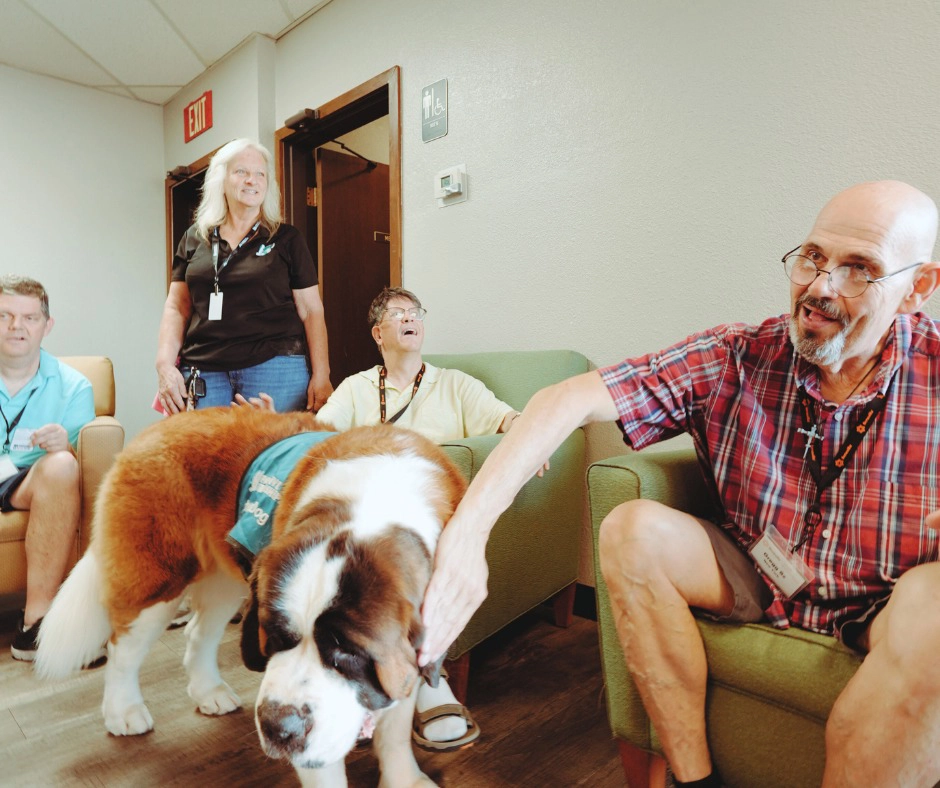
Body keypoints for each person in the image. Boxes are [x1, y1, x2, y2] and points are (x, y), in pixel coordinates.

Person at [419, 181, 940, 787]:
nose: (821, 287)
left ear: (917, 288)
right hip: (756, 571)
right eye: (813, 257)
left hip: (885, 597)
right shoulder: (738, 355)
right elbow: (566, 399)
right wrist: (467, 534)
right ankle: (694, 780)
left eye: (859, 271)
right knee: (631, 530)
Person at [239, 286, 527, 752]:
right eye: (397, 313)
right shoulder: (356, 387)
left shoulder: (456, 385)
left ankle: (430, 673)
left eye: (415, 312)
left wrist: (524, 441)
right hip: (362, 522)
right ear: (378, 333)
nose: (410, 318)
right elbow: (320, 434)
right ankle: (316, 661)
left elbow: (507, 420)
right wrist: (281, 423)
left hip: (426, 521)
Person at [155, 138, 332, 414]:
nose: (252, 180)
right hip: (205, 371)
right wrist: (164, 364)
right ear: (221, 179)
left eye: (260, 174)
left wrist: (322, 374)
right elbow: (177, 306)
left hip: (274, 368)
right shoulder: (194, 238)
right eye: (242, 172)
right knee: (205, 455)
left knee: (269, 453)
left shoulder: (287, 239)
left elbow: (311, 310)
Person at [0, 276, 95, 661]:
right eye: (4, 315)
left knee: (60, 467)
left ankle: (34, 625)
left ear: (47, 324)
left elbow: (78, 463)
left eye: (29, 317)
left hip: (23, 481)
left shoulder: (75, 387)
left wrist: (66, 446)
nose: (16, 327)